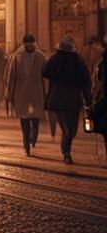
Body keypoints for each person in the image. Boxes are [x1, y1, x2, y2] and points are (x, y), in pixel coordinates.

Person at [43, 35, 92, 164]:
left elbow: (45, 72)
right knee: (70, 129)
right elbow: (86, 81)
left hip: (61, 99)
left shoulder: (58, 58)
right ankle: (66, 152)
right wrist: (88, 99)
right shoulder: (77, 60)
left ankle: (66, 151)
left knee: (69, 129)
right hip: (71, 100)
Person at [5, 34, 47, 155]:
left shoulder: (41, 57)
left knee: (36, 118)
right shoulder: (17, 57)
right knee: (24, 119)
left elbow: (46, 77)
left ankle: (33, 137)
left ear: (35, 44)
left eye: (31, 44)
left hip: (37, 92)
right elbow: (11, 76)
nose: (29, 46)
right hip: (21, 93)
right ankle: (26, 143)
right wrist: (9, 93)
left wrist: (47, 92)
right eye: (27, 44)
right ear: (24, 44)